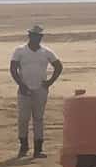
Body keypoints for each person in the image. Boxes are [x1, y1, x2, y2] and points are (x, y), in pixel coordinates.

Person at [10, 24, 64, 158]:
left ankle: (38, 149)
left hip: (40, 89)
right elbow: (13, 68)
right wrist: (21, 84)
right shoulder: (20, 50)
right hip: (24, 89)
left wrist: (50, 82)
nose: (36, 38)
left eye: (39, 36)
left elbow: (58, 66)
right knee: (23, 119)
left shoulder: (46, 52)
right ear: (30, 36)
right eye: (34, 36)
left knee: (38, 119)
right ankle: (23, 146)